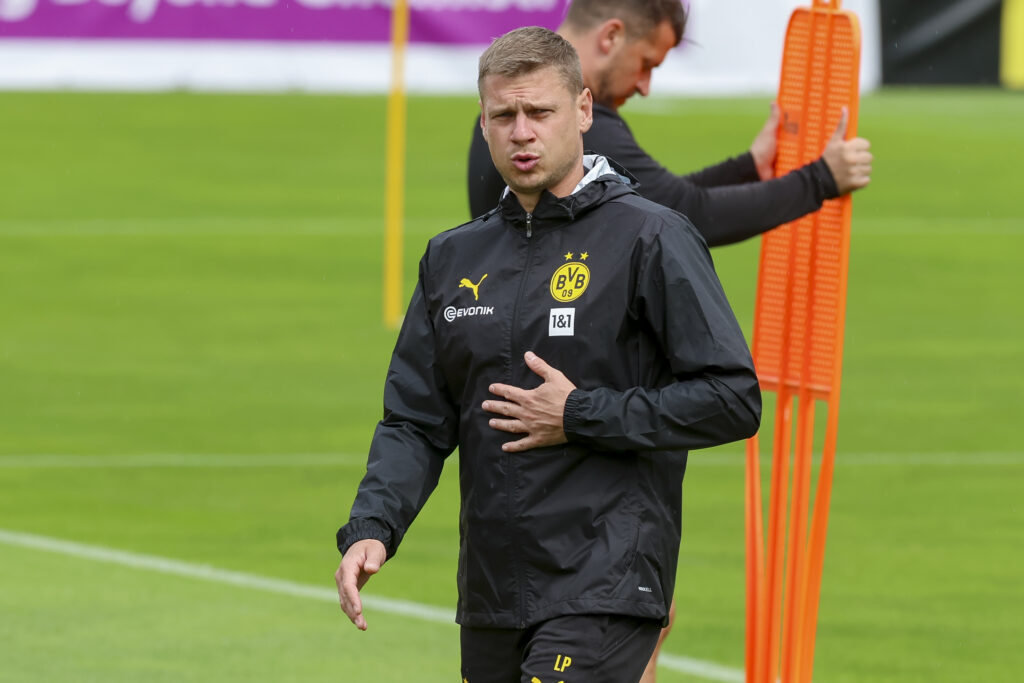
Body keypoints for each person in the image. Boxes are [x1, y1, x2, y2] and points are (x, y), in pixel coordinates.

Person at [335, 26, 761, 683]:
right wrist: (373, 525)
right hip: (494, 593)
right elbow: (415, 419)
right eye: (504, 115)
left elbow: (732, 398)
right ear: (483, 125)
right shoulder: (452, 259)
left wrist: (581, 413)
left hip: (607, 580)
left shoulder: (652, 238)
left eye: (540, 112)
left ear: (584, 111)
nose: (522, 132)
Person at [466, 0, 873, 248]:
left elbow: (657, 198)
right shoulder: (573, 125)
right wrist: (821, 179)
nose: (644, 86)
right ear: (611, 37)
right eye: (646, 64)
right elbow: (686, 213)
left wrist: (749, 165)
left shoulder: (506, 113)